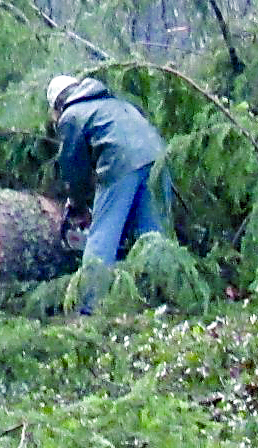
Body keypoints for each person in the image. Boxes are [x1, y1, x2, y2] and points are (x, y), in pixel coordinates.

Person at [48, 75, 171, 300]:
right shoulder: (115, 103)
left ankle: (89, 305)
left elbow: (74, 168)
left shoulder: (71, 115)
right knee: (153, 238)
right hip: (158, 159)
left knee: (102, 237)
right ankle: (159, 296)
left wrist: (76, 203)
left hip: (121, 164)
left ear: (57, 103)